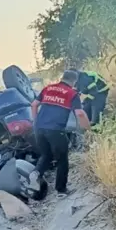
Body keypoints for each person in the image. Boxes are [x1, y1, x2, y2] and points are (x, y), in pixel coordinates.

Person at [30, 69, 91, 197]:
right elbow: (79, 113)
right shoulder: (72, 94)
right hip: (56, 130)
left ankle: (35, 173)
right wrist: (88, 129)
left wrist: (35, 122)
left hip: (39, 128)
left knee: (46, 155)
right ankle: (61, 190)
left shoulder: (48, 88)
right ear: (74, 81)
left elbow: (34, 105)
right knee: (62, 159)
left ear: (62, 77)